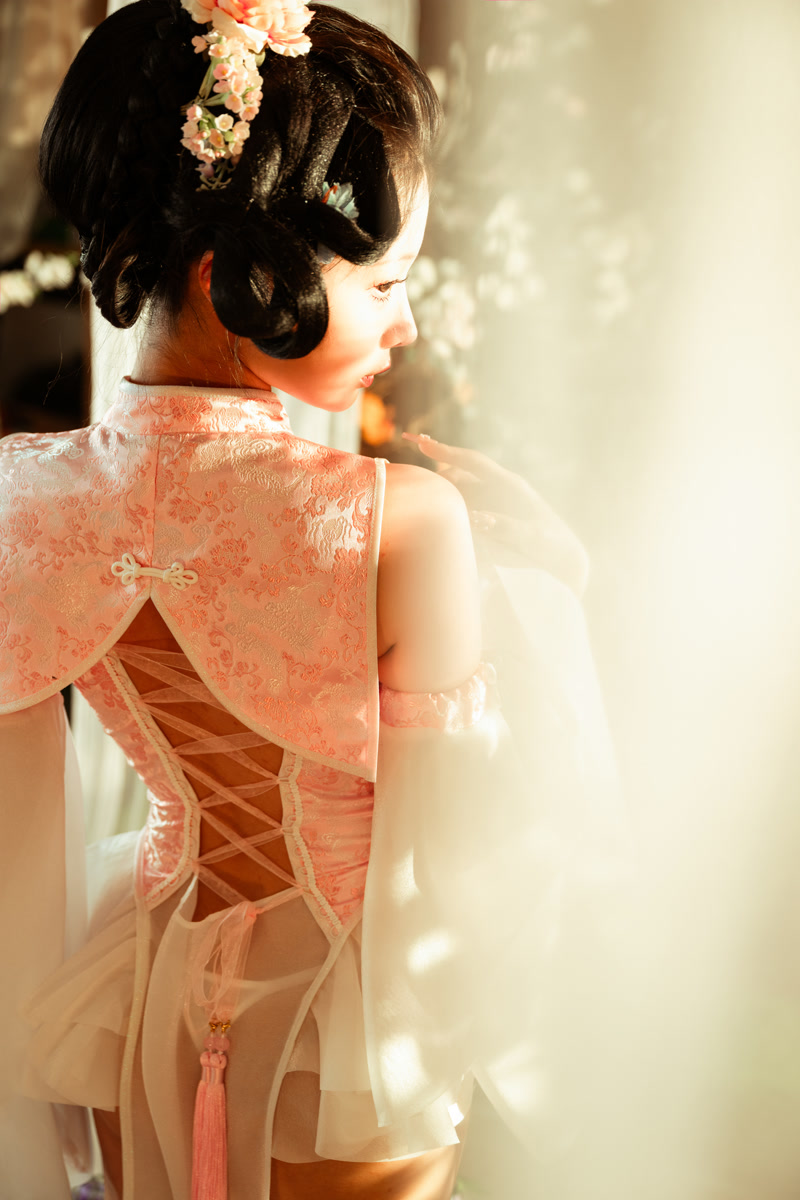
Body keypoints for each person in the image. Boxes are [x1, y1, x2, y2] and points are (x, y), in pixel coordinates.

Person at [0, 2, 625, 1197]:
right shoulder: (402, 522)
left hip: (133, 1010)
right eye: (383, 281)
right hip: (352, 1041)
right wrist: (555, 584)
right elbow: (468, 859)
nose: (403, 321)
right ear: (227, 275)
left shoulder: (21, 498)